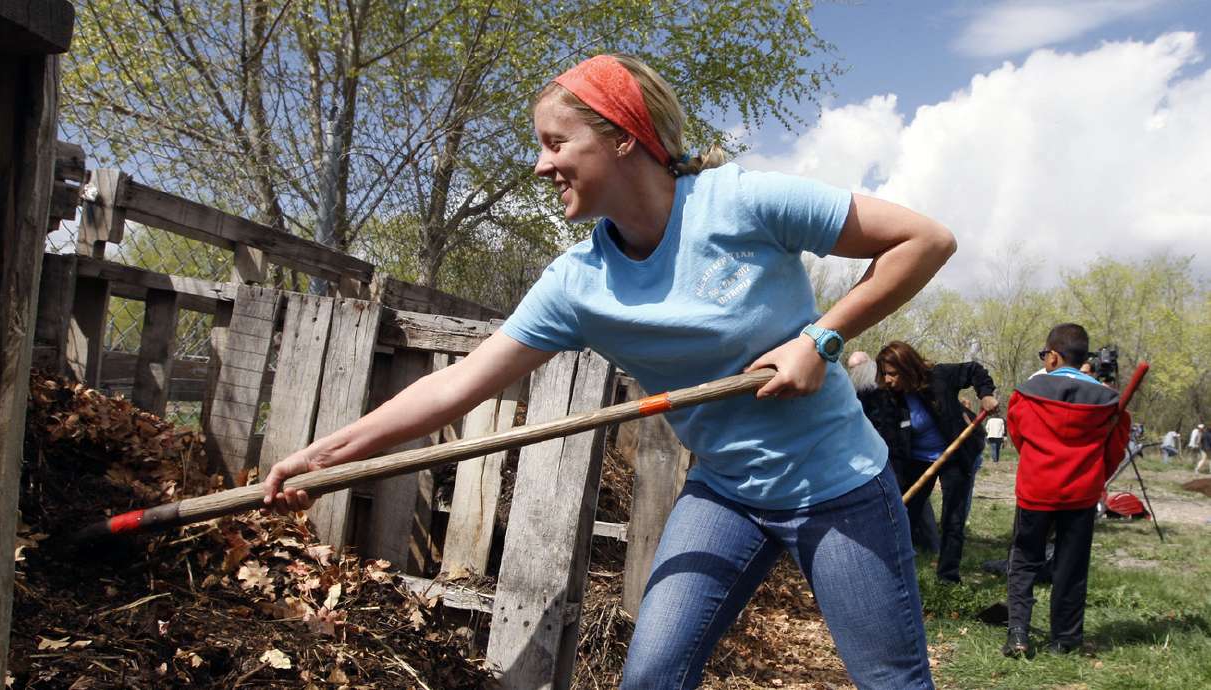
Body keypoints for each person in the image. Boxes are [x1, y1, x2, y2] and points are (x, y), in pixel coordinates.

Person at [263, 54, 957, 688]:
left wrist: (821, 338)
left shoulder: (740, 203)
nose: (540, 166)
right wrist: (322, 456)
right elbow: (453, 385)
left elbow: (924, 240)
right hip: (727, 495)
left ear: (623, 135)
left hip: (837, 485)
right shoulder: (579, 285)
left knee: (891, 683)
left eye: (555, 142)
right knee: (650, 678)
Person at [1002, 323, 1130, 658]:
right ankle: (1065, 639)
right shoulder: (1108, 401)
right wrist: (1095, 475)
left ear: (1054, 355)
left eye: (1045, 355)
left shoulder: (1027, 392)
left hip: (1036, 488)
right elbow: (1116, 447)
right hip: (1082, 492)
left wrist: (1037, 462)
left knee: (1025, 559)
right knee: (1071, 565)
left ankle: (1018, 633)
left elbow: (1018, 436)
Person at [876, 341, 998, 584]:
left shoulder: (939, 377)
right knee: (905, 512)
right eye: (884, 374)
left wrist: (985, 394)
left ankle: (948, 577)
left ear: (908, 367)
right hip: (917, 459)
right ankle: (896, 571)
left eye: (892, 373)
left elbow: (974, 369)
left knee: (953, 517)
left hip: (955, 454)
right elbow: (889, 436)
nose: (887, 380)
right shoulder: (890, 397)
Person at [847, 350, 939, 552]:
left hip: (892, 455)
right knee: (912, 500)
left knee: (907, 501)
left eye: (855, 367)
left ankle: (917, 544)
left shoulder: (874, 392)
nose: (853, 371)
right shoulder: (873, 389)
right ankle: (923, 543)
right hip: (895, 454)